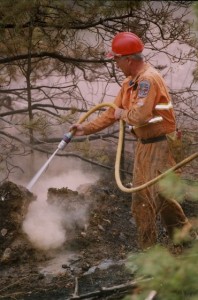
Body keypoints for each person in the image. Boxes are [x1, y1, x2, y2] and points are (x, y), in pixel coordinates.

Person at [70, 31, 193, 250]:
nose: (115, 64)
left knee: (161, 196)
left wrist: (122, 115)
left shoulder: (148, 80)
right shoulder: (130, 83)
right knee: (141, 200)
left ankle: (186, 244)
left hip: (162, 144)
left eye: (116, 59)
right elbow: (111, 113)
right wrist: (85, 128)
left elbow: (139, 115)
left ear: (127, 59)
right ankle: (148, 250)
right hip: (145, 145)